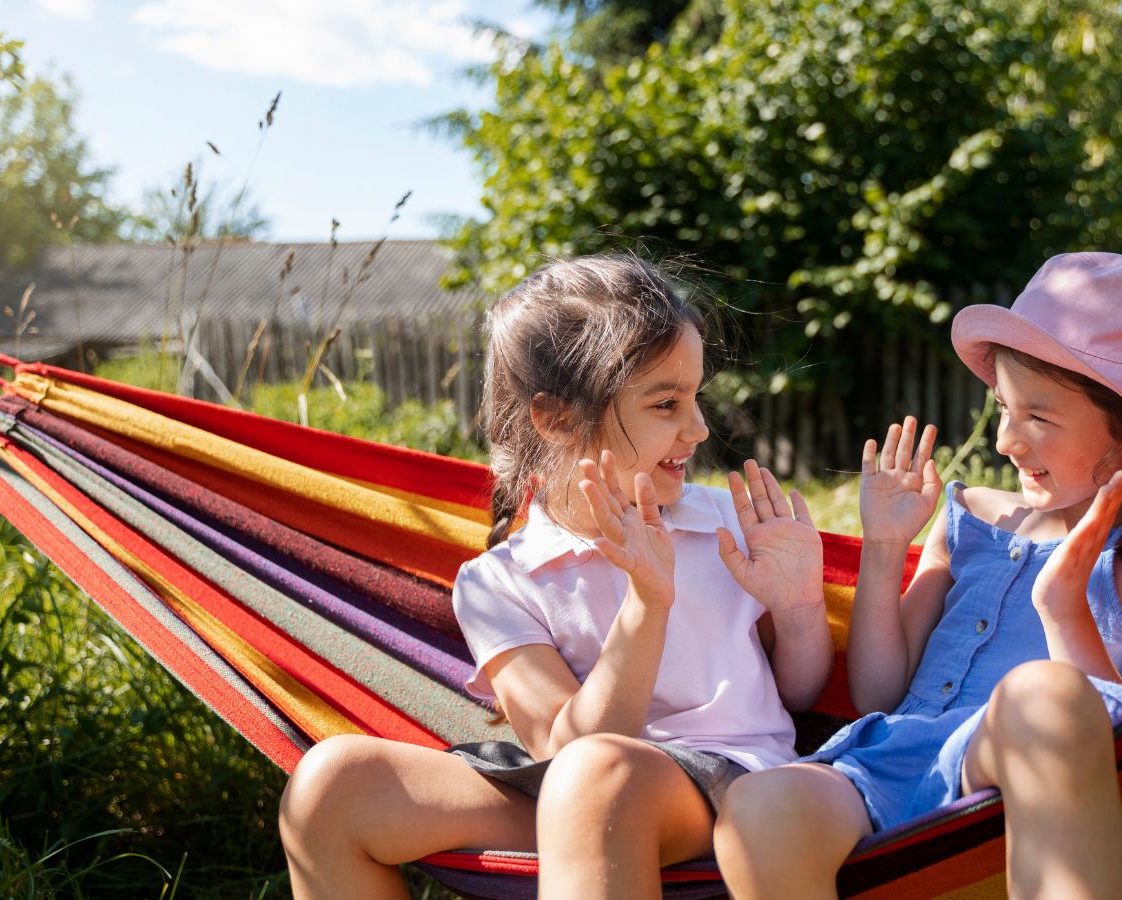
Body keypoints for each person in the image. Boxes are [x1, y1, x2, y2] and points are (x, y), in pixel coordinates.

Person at [277, 254, 833, 900]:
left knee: (598, 781)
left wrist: (799, 608)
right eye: (666, 403)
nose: (699, 428)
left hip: (732, 783)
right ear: (558, 418)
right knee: (332, 786)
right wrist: (646, 606)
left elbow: (800, 695)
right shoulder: (498, 584)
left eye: (695, 397)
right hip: (574, 783)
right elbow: (562, 748)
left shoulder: (728, 524)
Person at [713, 252, 1122, 900]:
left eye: (1038, 417)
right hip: (889, 763)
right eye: (1003, 410)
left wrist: (1064, 608)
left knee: (1043, 693)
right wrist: (885, 546)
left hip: (1022, 761)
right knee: (759, 806)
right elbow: (879, 692)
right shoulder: (973, 515)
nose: (1006, 441)